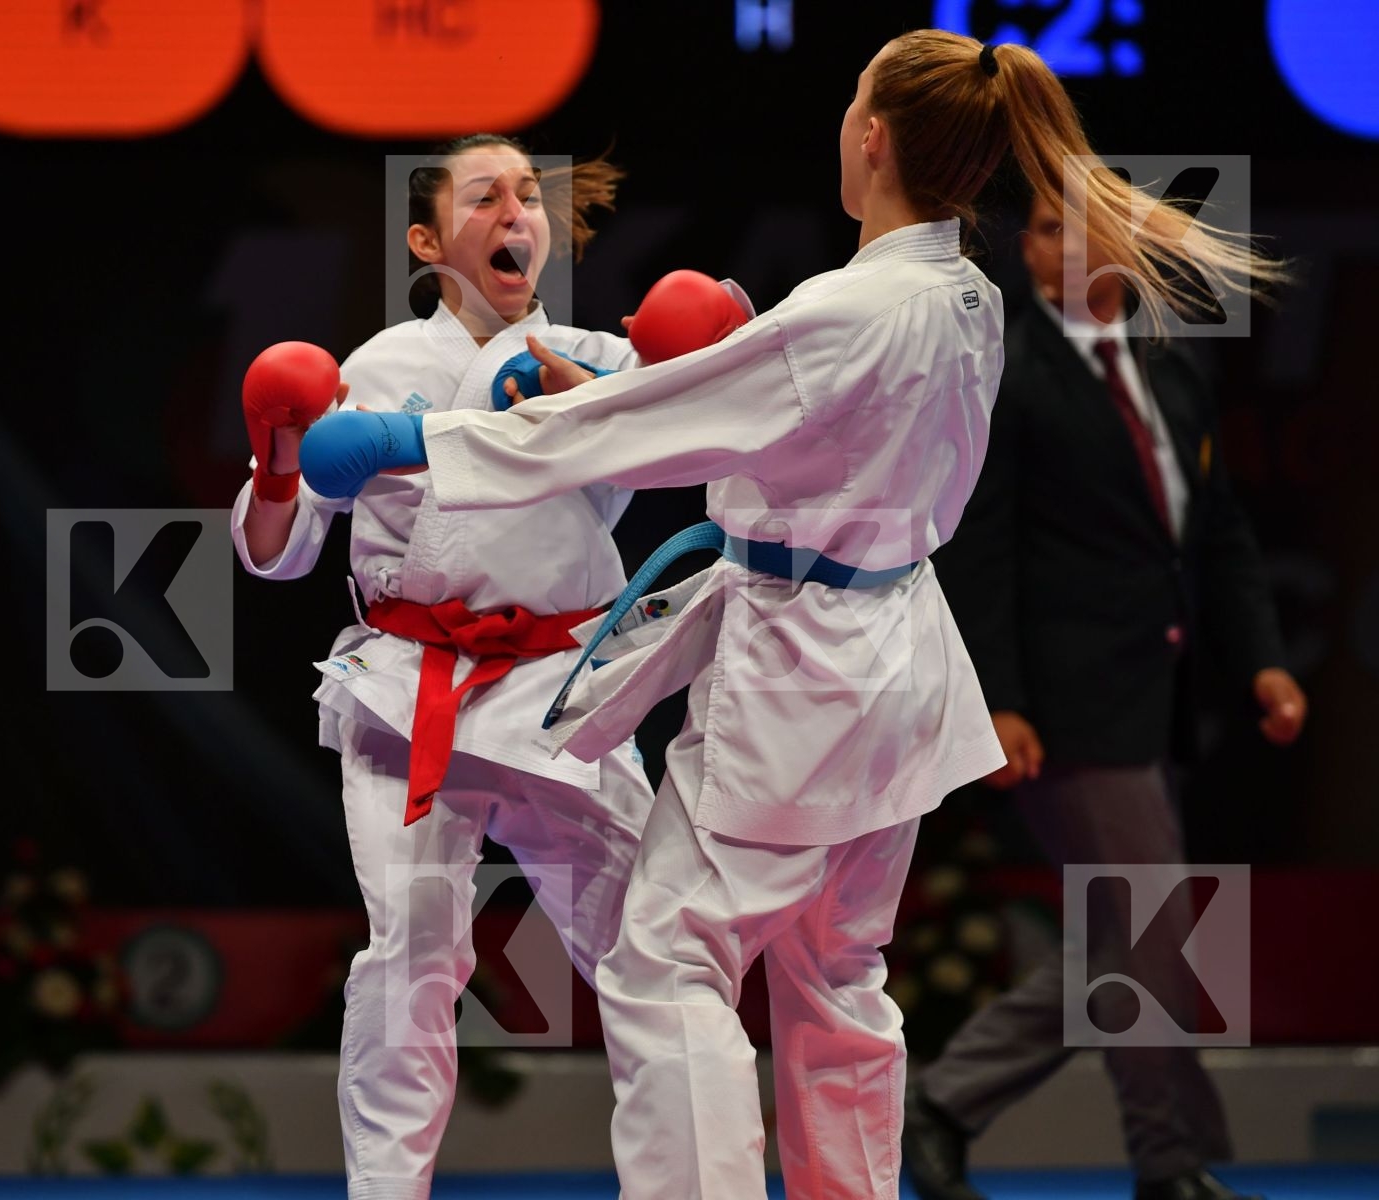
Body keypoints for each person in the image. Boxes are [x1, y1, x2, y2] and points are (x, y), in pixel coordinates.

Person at [296, 31, 1285, 1200]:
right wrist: (609, 393)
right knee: (835, 972)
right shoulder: (968, 297)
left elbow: (667, 424)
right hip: (895, 655)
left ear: (871, 137)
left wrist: (424, 441)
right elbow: (727, 415)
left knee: (664, 965)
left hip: (802, 672)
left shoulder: (848, 311)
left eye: (851, 104)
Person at [233, 133, 662, 1200]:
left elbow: (704, 458)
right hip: (411, 689)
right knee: (410, 964)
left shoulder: (605, 362)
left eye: (527, 194)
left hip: (565, 692)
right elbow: (277, 554)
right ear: (428, 242)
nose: (516, 210)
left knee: (656, 960)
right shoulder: (376, 368)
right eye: (485, 197)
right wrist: (280, 457)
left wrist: (592, 402)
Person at [898, 191, 1306, 1200]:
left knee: (1127, 938)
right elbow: (977, 549)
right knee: (1152, 927)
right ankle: (1156, 1161)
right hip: (1064, 704)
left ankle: (950, 1105)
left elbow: (1215, 534)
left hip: (1156, 698)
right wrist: (999, 698)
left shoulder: (1172, 368)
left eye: (1089, 225)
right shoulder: (1009, 376)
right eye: (1047, 228)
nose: (1069, 244)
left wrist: (1261, 656)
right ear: (1028, 257)